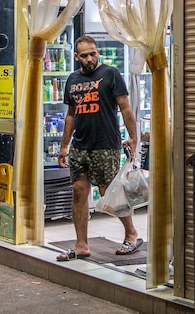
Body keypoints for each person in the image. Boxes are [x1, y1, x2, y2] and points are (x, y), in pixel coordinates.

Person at [55, 35, 141, 261]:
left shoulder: (110, 74)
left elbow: (125, 108)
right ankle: (81, 244)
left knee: (109, 193)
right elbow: (70, 116)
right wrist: (64, 146)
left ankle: (131, 233)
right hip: (80, 146)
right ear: (77, 57)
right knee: (78, 192)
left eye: (93, 53)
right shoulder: (72, 79)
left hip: (105, 145)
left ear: (97, 52)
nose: (90, 58)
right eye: (84, 55)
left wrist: (133, 138)